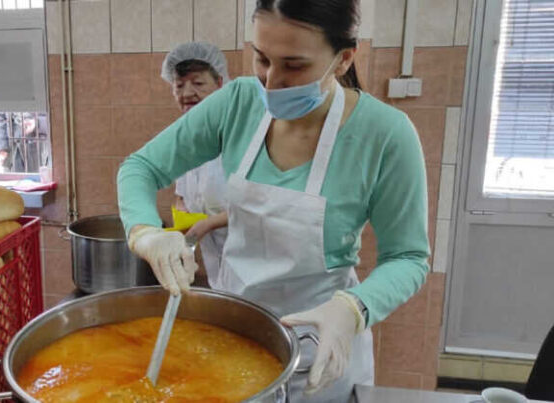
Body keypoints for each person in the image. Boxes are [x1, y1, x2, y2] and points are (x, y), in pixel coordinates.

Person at [117, 0, 430, 401]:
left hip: (322, 351)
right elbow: (140, 167)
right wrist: (145, 231)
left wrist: (353, 309)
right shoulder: (237, 104)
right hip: (236, 339)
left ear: (343, 59)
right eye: (261, 58)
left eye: (294, 66)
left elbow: (408, 258)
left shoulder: (384, 134)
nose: (271, 81)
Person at [161, 42, 230, 288]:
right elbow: (182, 196)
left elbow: (260, 204)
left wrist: (207, 224)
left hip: (254, 264)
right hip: (216, 267)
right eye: (179, 85)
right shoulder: (187, 139)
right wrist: (182, 226)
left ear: (220, 84)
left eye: (198, 84)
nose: (187, 93)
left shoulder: (238, 134)